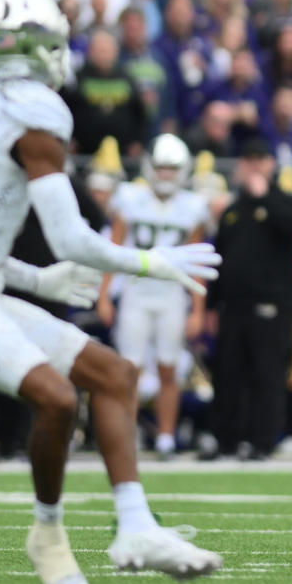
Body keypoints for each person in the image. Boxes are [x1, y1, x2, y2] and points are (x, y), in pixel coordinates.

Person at [0, 0, 224, 584]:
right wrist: (149, 259)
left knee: (115, 374)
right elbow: (70, 238)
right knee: (57, 397)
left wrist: (34, 282)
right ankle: (48, 535)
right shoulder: (36, 111)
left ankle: (137, 528)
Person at [97, 133, 209, 459]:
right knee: (128, 370)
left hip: (172, 296)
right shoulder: (130, 198)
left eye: (171, 168)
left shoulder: (193, 206)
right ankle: (126, 435)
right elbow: (112, 250)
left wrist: (198, 309)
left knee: (168, 369)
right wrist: (104, 295)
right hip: (135, 292)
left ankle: (165, 437)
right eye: (160, 167)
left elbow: (198, 261)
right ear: (149, 166)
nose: (165, 175)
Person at [207, 136, 292, 460]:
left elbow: (291, 227)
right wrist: (211, 304)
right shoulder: (233, 211)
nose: (253, 166)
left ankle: (263, 442)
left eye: (259, 160)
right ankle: (227, 442)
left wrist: (265, 196)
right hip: (233, 306)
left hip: (272, 305)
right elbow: (220, 257)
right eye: (247, 160)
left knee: (266, 374)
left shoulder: (286, 203)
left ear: (270, 165)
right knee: (228, 374)